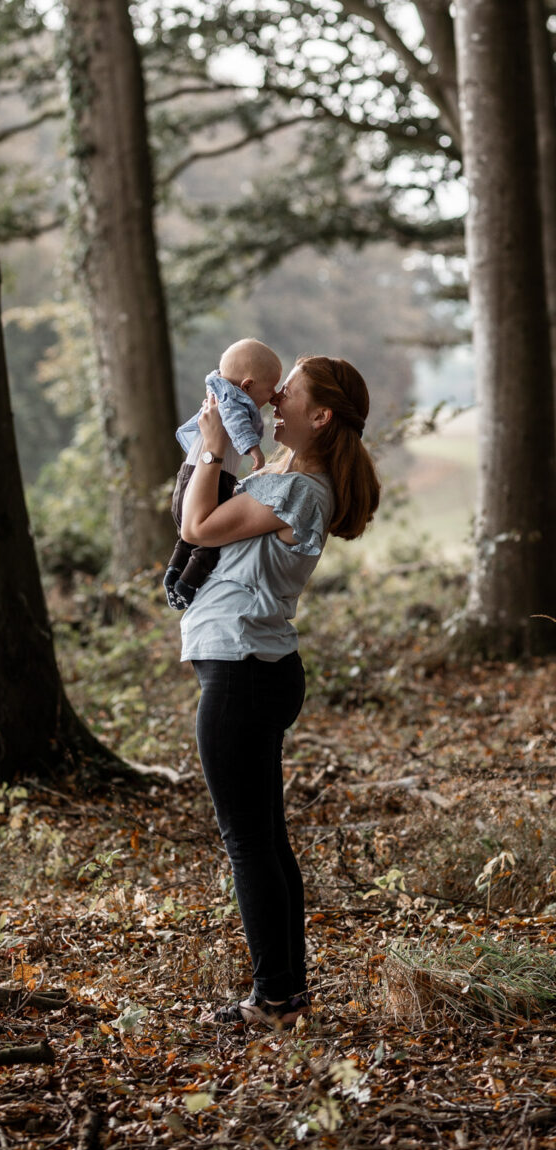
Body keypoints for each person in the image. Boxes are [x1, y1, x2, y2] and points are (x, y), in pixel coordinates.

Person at [179, 354, 380, 1028]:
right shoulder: (285, 478)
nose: (277, 394)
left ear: (320, 416)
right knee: (265, 839)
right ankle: (285, 995)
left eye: (288, 389)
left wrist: (211, 453)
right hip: (253, 665)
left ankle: (273, 1001)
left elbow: (197, 526)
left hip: (243, 670)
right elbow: (244, 465)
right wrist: (229, 431)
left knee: (250, 843)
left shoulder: (297, 492)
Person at [164, 338, 282, 611]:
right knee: (212, 541)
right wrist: (255, 450)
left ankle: (174, 570)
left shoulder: (221, 393)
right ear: (248, 386)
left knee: (187, 536)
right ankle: (188, 583)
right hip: (209, 482)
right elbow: (238, 425)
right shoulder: (232, 401)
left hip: (191, 480)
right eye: (270, 389)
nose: (274, 396)